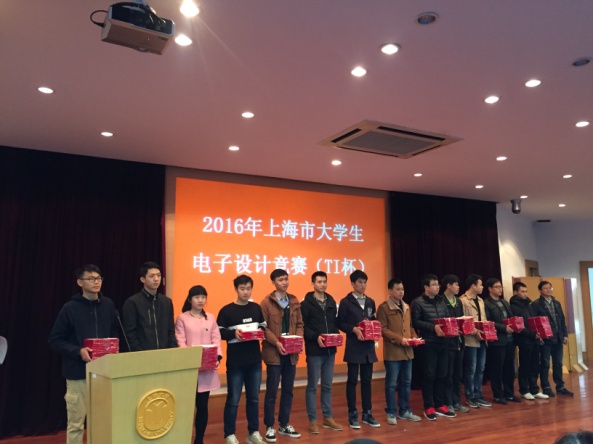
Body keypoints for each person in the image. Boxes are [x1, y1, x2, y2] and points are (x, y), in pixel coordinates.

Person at [48, 265, 118, 444]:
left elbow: (114, 332)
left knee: (103, 422)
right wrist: (77, 351)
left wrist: (113, 347)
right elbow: (55, 340)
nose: (96, 282)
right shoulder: (70, 308)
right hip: (78, 374)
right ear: (80, 282)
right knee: (76, 424)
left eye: (99, 278)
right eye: (91, 279)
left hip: (104, 374)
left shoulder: (108, 305)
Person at [217, 275, 267, 444]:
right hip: (236, 363)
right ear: (236, 289)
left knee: (254, 398)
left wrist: (259, 331)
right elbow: (219, 332)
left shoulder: (256, 308)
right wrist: (234, 333)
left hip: (254, 361)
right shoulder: (227, 310)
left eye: (248, 288)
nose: (246, 292)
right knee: (233, 399)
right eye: (242, 289)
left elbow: (263, 326)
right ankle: (229, 434)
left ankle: (253, 433)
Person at [261, 269, 304, 442]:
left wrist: (298, 339)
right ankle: (269, 426)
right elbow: (264, 328)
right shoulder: (266, 302)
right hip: (274, 353)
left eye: (286, 279)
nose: (284, 282)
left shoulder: (294, 300)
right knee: (272, 392)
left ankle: (284, 424)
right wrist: (276, 342)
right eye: (280, 279)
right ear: (273, 282)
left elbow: (300, 324)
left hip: (291, 354)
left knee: (288, 390)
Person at [175, 285, 222, 444]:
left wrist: (217, 357)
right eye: (197, 297)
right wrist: (190, 359)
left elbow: (216, 339)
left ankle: (199, 439)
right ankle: (183, 437)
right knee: (187, 406)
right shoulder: (182, 318)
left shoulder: (211, 317)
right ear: (190, 299)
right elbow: (180, 341)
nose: (200, 300)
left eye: (203, 297)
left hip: (207, 369)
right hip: (189, 368)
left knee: (202, 406)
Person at [300, 271, 343, 434]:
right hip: (314, 351)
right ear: (313, 284)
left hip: (330, 351)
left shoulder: (331, 301)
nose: (322, 284)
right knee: (312, 386)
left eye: (324, 281)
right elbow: (303, 327)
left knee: (327, 385)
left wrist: (336, 335)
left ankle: (327, 418)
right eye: (319, 282)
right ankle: (312, 420)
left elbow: (333, 323)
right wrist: (315, 336)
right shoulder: (306, 304)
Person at [337, 270, 380, 429]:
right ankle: (352, 414)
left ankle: (367, 413)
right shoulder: (346, 302)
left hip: (368, 347)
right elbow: (340, 322)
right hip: (354, 346)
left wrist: (375, 329)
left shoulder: (370, 302)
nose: (363, 285)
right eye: (360, 282)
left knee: (367, 381)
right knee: (353, 380)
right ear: (352, 284)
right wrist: (353, 329)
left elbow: (373, 319)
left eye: (364, 282)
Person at [376, 278, 422, 425]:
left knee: (406, 383)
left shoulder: (407, 306)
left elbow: (410, 327)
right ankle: (391, 412)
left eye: (402, 289)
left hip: (408, 351)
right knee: (391, 384)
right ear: (390, 291)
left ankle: (405, 410)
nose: (401, 292)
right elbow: (382, 329)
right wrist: (400, 339)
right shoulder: (383, 308)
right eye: (397, 289)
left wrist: (414, 337)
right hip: (393, 352)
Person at [411, 274, 454, 420]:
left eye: (438, 284)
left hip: (444, 342)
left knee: (442, 374)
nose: (437, 287)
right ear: (426, 287)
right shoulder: (418, 302)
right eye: (434, 285)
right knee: (429, 375)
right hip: (428, 343)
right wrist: (433, 327)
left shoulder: (442, 301)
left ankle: (440, 404)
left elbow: (447, 317)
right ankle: (428, 406)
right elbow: (416, 322)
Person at [531, 280, 574, 397]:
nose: (548, 290)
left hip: (558, 338)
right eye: (546, 288)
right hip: (545, 339)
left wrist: (565, 335)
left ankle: (560, 386)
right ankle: (546, 387)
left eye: (550, 288)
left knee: (558, 363)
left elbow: (562, 320)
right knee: (545, 364)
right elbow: (533, 322)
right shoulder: (536, 304)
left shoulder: (556, 303)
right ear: (540, 290)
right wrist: (537, 336)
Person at [122, 261, 177, 351]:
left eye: (158, 275)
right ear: (142, 279)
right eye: (152, 276)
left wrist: (172, 350)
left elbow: (170, 330)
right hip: (143, 354)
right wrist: (139, 353)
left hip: (165, 353)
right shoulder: (133, 302)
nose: (156, 279)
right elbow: (130, 333)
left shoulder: (166, 302)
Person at [509, 282, 549, 400]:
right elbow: (519, 326)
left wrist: (539, 333)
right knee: (525, 365)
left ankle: (534, 389)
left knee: (535, 365)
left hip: (534, 339)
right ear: (516, 292)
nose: (525, 294)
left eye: (526, 291)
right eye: (522, 291)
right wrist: (532, 334)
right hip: (524, 340)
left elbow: (533, 321)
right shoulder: (513, 307)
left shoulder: (528, 304)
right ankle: (524, 390)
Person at [483, 278, 520, 405]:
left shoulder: (504, 302)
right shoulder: (486, 303)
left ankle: (509, 393)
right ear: (490, 289)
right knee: (497, 369)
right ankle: (498, 395)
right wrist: (504, 328)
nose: (500, 289)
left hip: (510, 340)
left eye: (501, 287)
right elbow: (488, 321)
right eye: (497, 287)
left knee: (509, 368)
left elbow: (510, 318)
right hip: (497, 340)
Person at [459, 274, 491, 409]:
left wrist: (487, 330)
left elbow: (483, 319)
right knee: (471, 369)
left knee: (480, 368)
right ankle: (470, 395)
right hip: (470, 339)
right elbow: (462, 322)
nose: (482, 287)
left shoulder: (481, 300)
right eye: (480, 285)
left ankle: (478, 394)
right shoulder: (463, 300)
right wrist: (475, 331)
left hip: (482, 339)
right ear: (473, 286)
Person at [441, 275, 468, 414]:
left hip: (460, 341)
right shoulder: (441, 301)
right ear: (448, 285)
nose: (458, 287)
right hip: (448, 342)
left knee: (458, 374)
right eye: (456, 285)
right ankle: (448, 402)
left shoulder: (458, 301)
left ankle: (457, 401)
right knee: (448, 374)